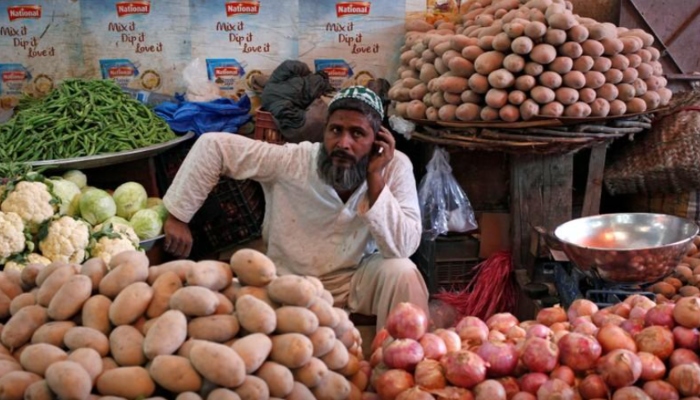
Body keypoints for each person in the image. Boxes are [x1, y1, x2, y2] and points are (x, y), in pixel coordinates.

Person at [162, 86, 429, 329]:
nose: (343, 143)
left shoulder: (393, 166)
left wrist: (375, 179)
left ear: (377, 139)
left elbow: (403, 247)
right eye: (336, 130)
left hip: (355, 281)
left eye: (357, 133)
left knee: (403, 272)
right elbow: (214, 146)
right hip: (290, 284)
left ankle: (400, 365)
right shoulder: (293, 160)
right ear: (324, 131)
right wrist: (178, 216)